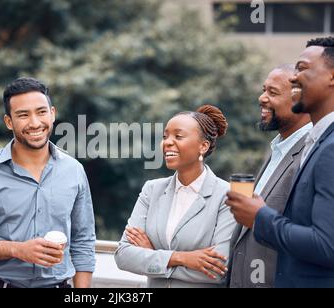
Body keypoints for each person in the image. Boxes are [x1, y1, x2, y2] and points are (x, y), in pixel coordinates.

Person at [0, 77, 96, 288]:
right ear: (9, 121)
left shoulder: (73, 170)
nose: (35, 123)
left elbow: (83, 239)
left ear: (53, 114)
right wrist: (17, 249)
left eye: (41, 112)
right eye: (23, 115)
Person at [226, 37, 334, 288]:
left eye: (303, 68)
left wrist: (259, 217)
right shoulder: (314, 143)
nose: (295, 78)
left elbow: (327, 245)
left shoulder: (329, 148)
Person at [115, 105, 236, 288]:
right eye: (165, 136)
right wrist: (182, 258)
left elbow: (217, 269)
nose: (167, 142)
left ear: (203, 146)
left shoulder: (227, 196)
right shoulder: (152, 190)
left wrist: (154, 255)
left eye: (178, 136)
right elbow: (123, 255)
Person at [227, 65, 312, 288]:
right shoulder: (278, 149)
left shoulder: (310, 154)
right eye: (264, 90)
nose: (262, 98)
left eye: (272, 93)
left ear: (301, 101)